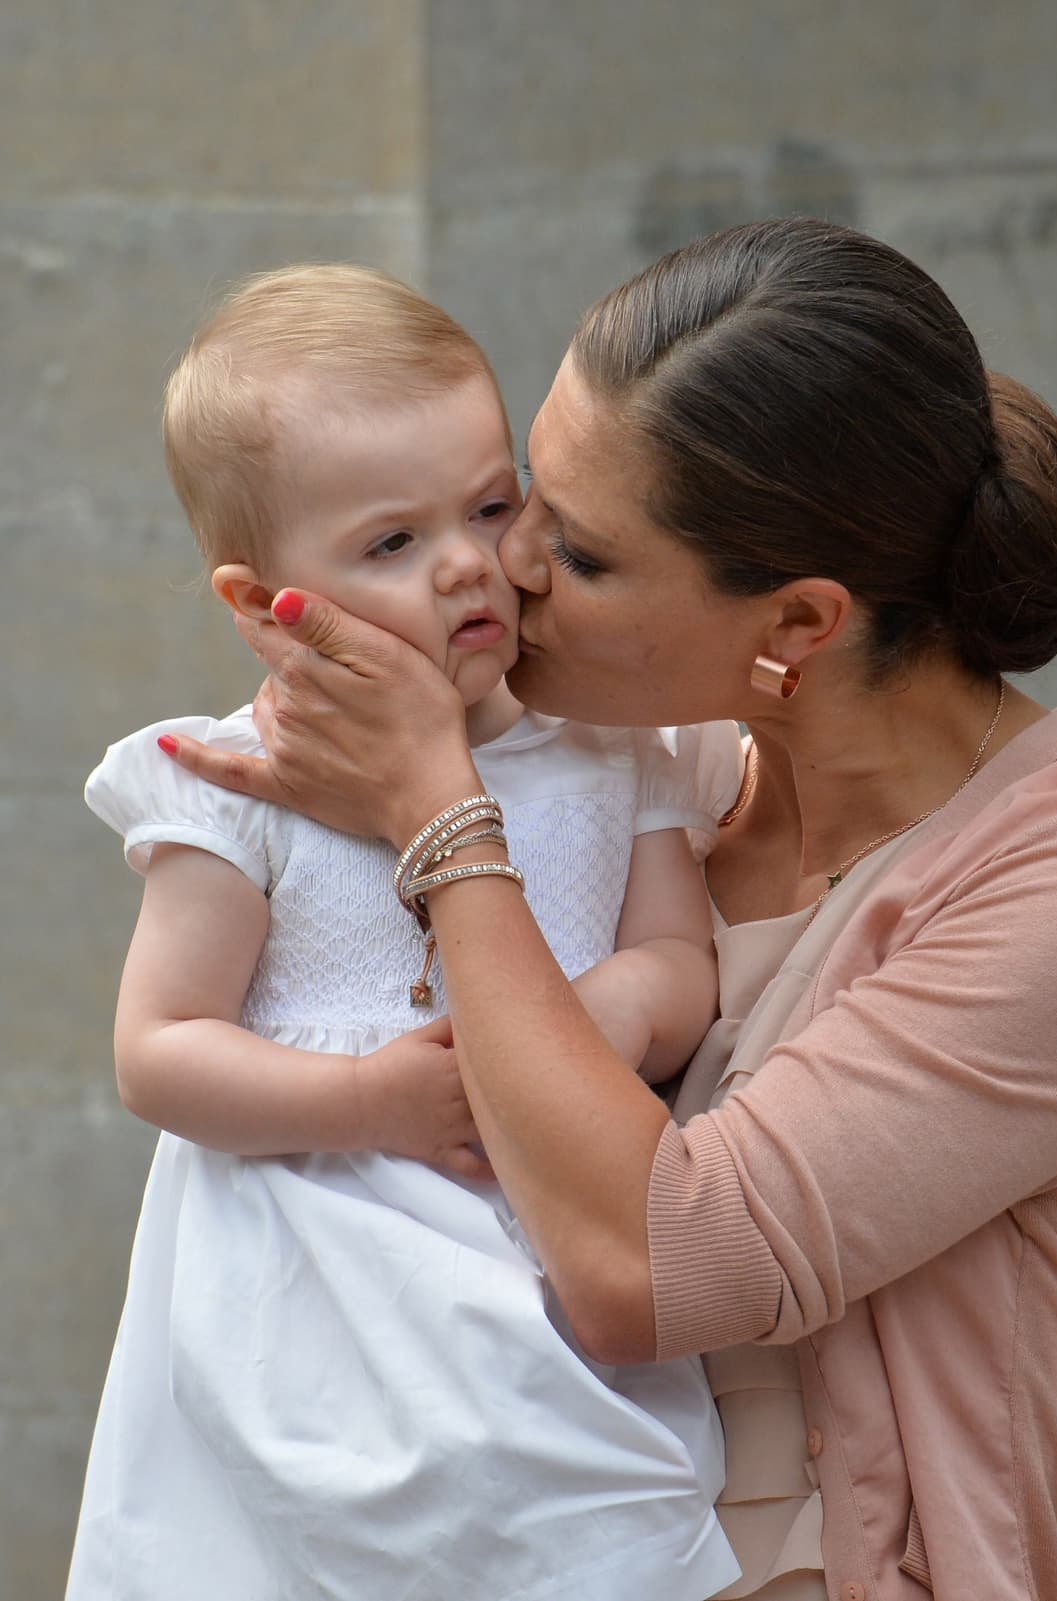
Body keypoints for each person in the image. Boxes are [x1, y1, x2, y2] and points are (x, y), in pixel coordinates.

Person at [162, 218, 1057, 1601]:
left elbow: (648, 1270)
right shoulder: (654, 786)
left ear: (797, 625)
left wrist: (436, 815)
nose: (511, 566)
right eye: (524, 495)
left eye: (587, 555)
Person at [67, 265, 745, 1601]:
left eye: (492, 505)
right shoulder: (233, 782)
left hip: (539, 1289)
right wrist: (369, 1095)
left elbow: (684, 959)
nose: (465, 561)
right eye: (390, 542)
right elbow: (160, 1049)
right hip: (309, 1308)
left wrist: (602, 1012)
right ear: (264, 605)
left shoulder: (616, 752)